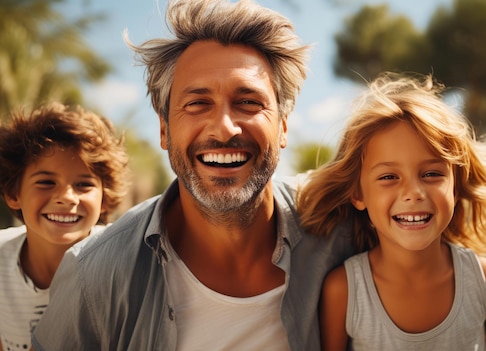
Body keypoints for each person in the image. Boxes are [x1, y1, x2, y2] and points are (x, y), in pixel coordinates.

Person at [31, 0, 354, 350]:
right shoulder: (93, 276)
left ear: (283, 126)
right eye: (198, 103)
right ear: (164, 130)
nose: (224, 128)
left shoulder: (345, 230)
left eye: (248, 102)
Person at [297, 72, 486, 350]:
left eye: (431, 173)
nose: (414, 193)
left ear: (455, 188)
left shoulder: (484, 279)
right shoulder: (344, 291)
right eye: (388, 177)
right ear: (358, 194)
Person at [0, 102, 129, 351]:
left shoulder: (125, 264)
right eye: (46, 182)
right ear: (14, 193)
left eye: (84, 185)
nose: (67, 197)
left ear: (104, 199)